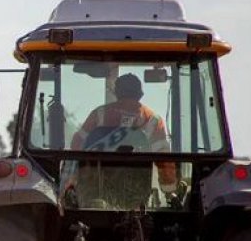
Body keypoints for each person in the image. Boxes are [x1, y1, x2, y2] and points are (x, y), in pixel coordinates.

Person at [66, 73, 177, 206]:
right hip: (136, 196)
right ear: (140, 94)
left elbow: (77, 144)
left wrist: (72, 182)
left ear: (117, 92)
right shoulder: (152, 120)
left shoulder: (99, 114)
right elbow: (164, 160)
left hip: (93, 194)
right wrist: (169, 191)